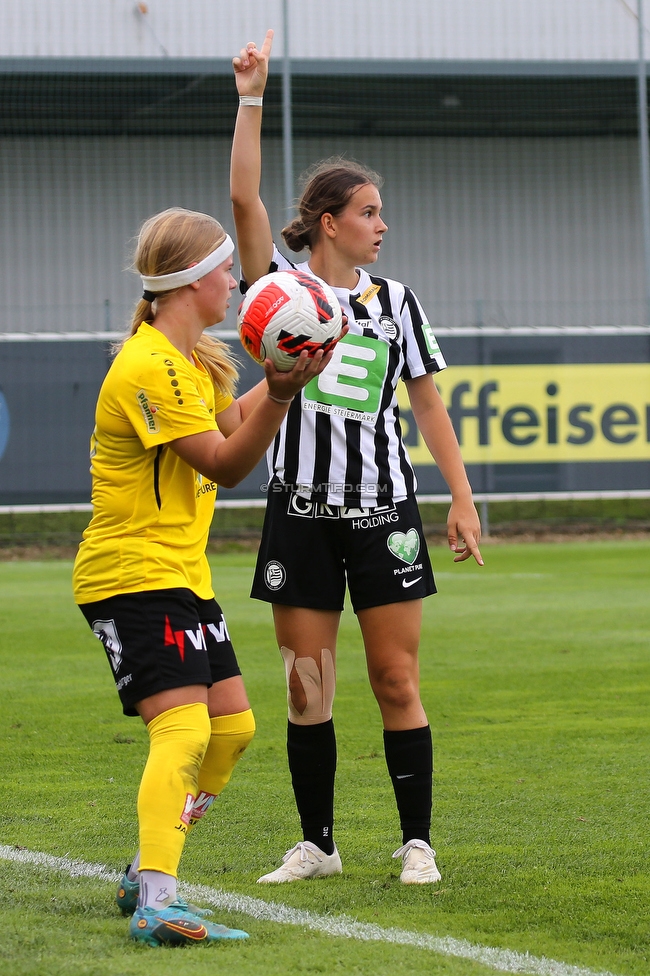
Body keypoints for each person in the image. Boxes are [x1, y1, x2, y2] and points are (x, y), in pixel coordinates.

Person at [231, 32, 484, 886]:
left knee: (394, 677)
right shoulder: (277, 289)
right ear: (330, 221)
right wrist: (251, 97)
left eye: (382, 213)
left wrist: (461, 497)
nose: (383, 225)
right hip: (300, 510)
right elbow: (242, 199)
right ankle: (320, 845)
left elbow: (427, 403)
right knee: (309, 686)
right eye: (370, 212)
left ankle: (418, 843)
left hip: (384, 510)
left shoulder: (398, 301)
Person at [72, 206, 333, 945]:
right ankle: (159, 895)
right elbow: (224, 461)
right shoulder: (145, 365)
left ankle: (141, 868)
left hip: (179, 574)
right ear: (191, 280)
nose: (237, 282)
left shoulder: (193, 360)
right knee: (183, 730)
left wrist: (293, 372)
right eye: (227, 270)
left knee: (233, 730)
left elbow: (228, 430)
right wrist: (281, 392)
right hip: (130, 573)